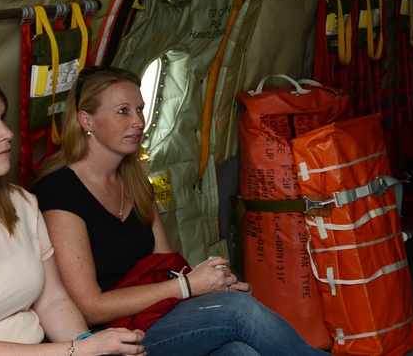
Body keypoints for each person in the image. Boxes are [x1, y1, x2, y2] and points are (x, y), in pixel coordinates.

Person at [30, 67, 329, 356]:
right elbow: (89, 306)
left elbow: (165, 265)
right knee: (239, 312)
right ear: (86, 121)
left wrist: (211, 285)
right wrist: (187, 286)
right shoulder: (59, 190)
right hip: (109, 335)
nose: (138, 121)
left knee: (239, 351)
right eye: (123, 111)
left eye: (140, 109)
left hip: (152, 315)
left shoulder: (135, 183)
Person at [0, 77, 145, 356]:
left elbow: (52, 300)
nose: (7, 132)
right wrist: (79, 350)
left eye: (2, 118)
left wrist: (86, 343)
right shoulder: (58, 189)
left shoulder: (19, 204)